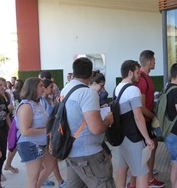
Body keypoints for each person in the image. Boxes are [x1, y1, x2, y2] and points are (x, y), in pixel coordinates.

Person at [60, 57, 115, 188]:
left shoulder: (65, 90)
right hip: (88, 155)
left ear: (73, 73)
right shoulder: (88, 93)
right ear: (91, 74)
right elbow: (96, 128)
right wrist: (108, 120)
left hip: (71, 150)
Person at [115, 60, 154, 188]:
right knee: (142, 172)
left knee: (122, 167)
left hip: (121, 136)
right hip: (132, 137)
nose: (139, 75)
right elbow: (138, 116)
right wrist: (147, 138)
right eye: (138, 72)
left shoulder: (118, 88)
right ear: (130, 73)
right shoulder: (133, 90)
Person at [127, 50, 164, 188]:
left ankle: (147, 177)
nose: (155, 62)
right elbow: (141, 107)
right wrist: (153, 115)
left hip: (146, 120)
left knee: (152, 146)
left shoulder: (145, 78)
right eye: (154, 60)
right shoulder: (142, 80)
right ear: (149, 62)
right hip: (143, 121)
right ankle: (141, 181)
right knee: (147, 149)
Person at [15, 77, 56, 188]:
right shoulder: (26, 106)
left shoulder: (37, 103)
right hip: (30, 145)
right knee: (32, 178)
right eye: (40, 86)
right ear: (32, 88)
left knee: (50, 165)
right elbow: (25, 131)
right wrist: (48, 130)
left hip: (40, 143)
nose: (43, 88)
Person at [40, 79, 66, 188]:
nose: (53, 89)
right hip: (46, 134)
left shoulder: (50, 99)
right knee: (50, 160)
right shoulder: (41, 101)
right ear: (44, 88)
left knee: (51, 159)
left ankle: (56, 181)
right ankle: (59, 182)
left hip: (50, 133)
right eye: (51, 87)